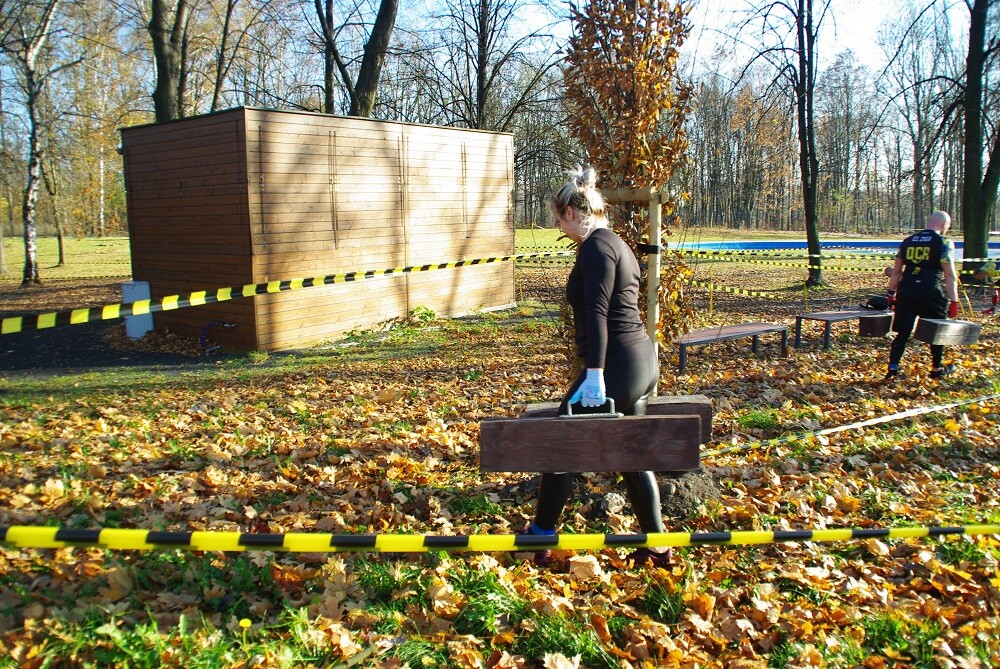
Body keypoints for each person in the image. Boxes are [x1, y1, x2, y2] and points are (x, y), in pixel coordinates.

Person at [520, 166, 670, 568]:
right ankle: (656, 545)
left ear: (571, 212)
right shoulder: (615, 242)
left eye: (558, 219)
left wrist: (595, 374)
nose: (560, 228)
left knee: (561, 440)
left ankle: (540, 537)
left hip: (619, 365)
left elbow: (598, 311)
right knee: (628, 455)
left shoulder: (596, 247)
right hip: (639, 362)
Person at [883, 210, 961, 382]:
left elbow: (896, 273)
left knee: (903, 332)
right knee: (936, 330)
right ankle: (936, 368)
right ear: (943, 225)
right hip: (931, 291)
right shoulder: (944, 242)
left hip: (907, 290)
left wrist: (891, 294)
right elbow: (950, 275)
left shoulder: (908, 241)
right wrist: (954, 301)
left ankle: (893, 367)